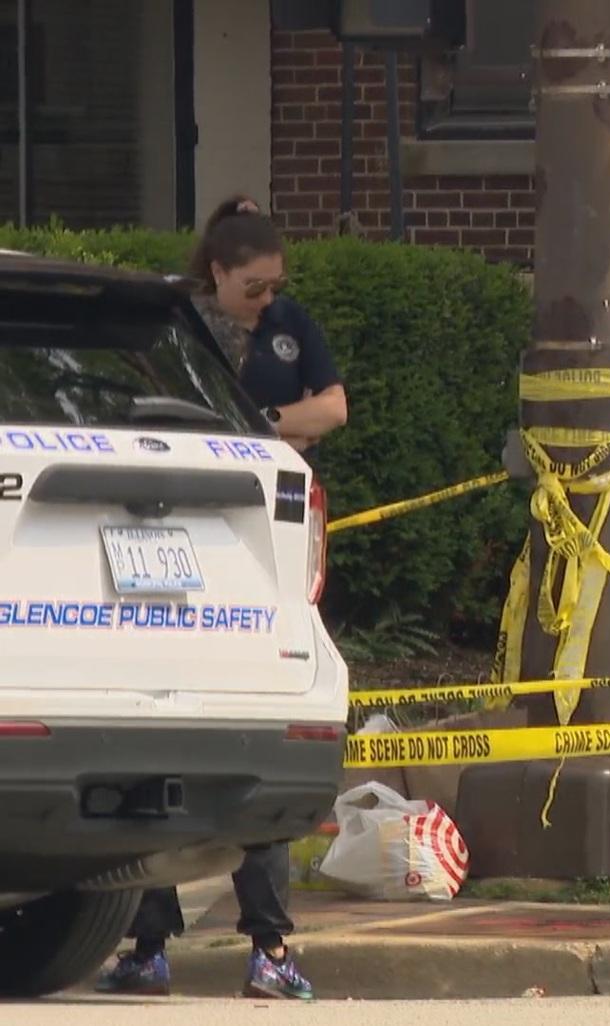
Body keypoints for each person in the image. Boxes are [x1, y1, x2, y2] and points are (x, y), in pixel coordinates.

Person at [97, 196, 346, 1001]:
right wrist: (272, 429)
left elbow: (326, 411)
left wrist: (261, 425)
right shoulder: (176, 334)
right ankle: (148, 944)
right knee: (151, 764)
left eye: (276, 287)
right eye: (255, 287)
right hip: (156, 574)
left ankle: (269, 949)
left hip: (246, 580)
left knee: (252, 763)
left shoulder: (255, 330)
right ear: (218, 272)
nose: (268, 300)